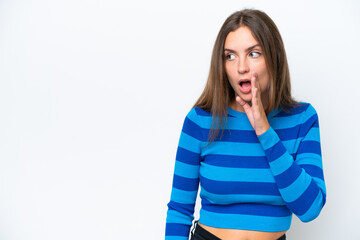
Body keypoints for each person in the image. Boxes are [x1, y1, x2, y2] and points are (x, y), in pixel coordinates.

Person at [165, 9, 326, 240]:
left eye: (253, 53)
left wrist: (265, 131)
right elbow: (179, 210)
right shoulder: (200, 121)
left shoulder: (302, 119)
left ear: (274, 58)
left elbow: (310, 208)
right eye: (230, 56)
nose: (241, 67)